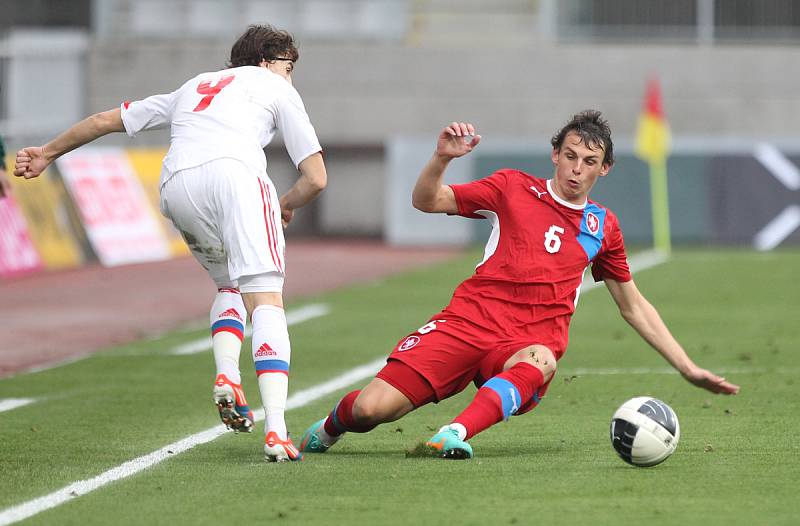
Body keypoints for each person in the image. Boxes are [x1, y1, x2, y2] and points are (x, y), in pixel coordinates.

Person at [299, 110, 739, 460]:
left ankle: (454, 433)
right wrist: (442, 158)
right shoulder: (511, 188)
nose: (576, 170)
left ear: (604, 169)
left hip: (526, 342)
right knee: (371, 410)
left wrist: (686, 366)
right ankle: (330, 428)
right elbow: (426, 201)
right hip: (466, 323)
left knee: (542, 359)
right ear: (555, 154)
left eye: (589, 162)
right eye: (570, 156)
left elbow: (633, 305)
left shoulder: (602, 226)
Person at [14, 25, 327, 462]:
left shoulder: (194, 85)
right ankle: (276, 429)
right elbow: (316, 178)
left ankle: (226, 375)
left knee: (229, 287)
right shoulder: (275, 87)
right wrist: (283, 204)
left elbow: (107, 120)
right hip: (236, 177)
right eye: (288, 67)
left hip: (177, 184)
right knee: (267, 299)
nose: (290, 77)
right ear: (266, 62)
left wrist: (47, 152)